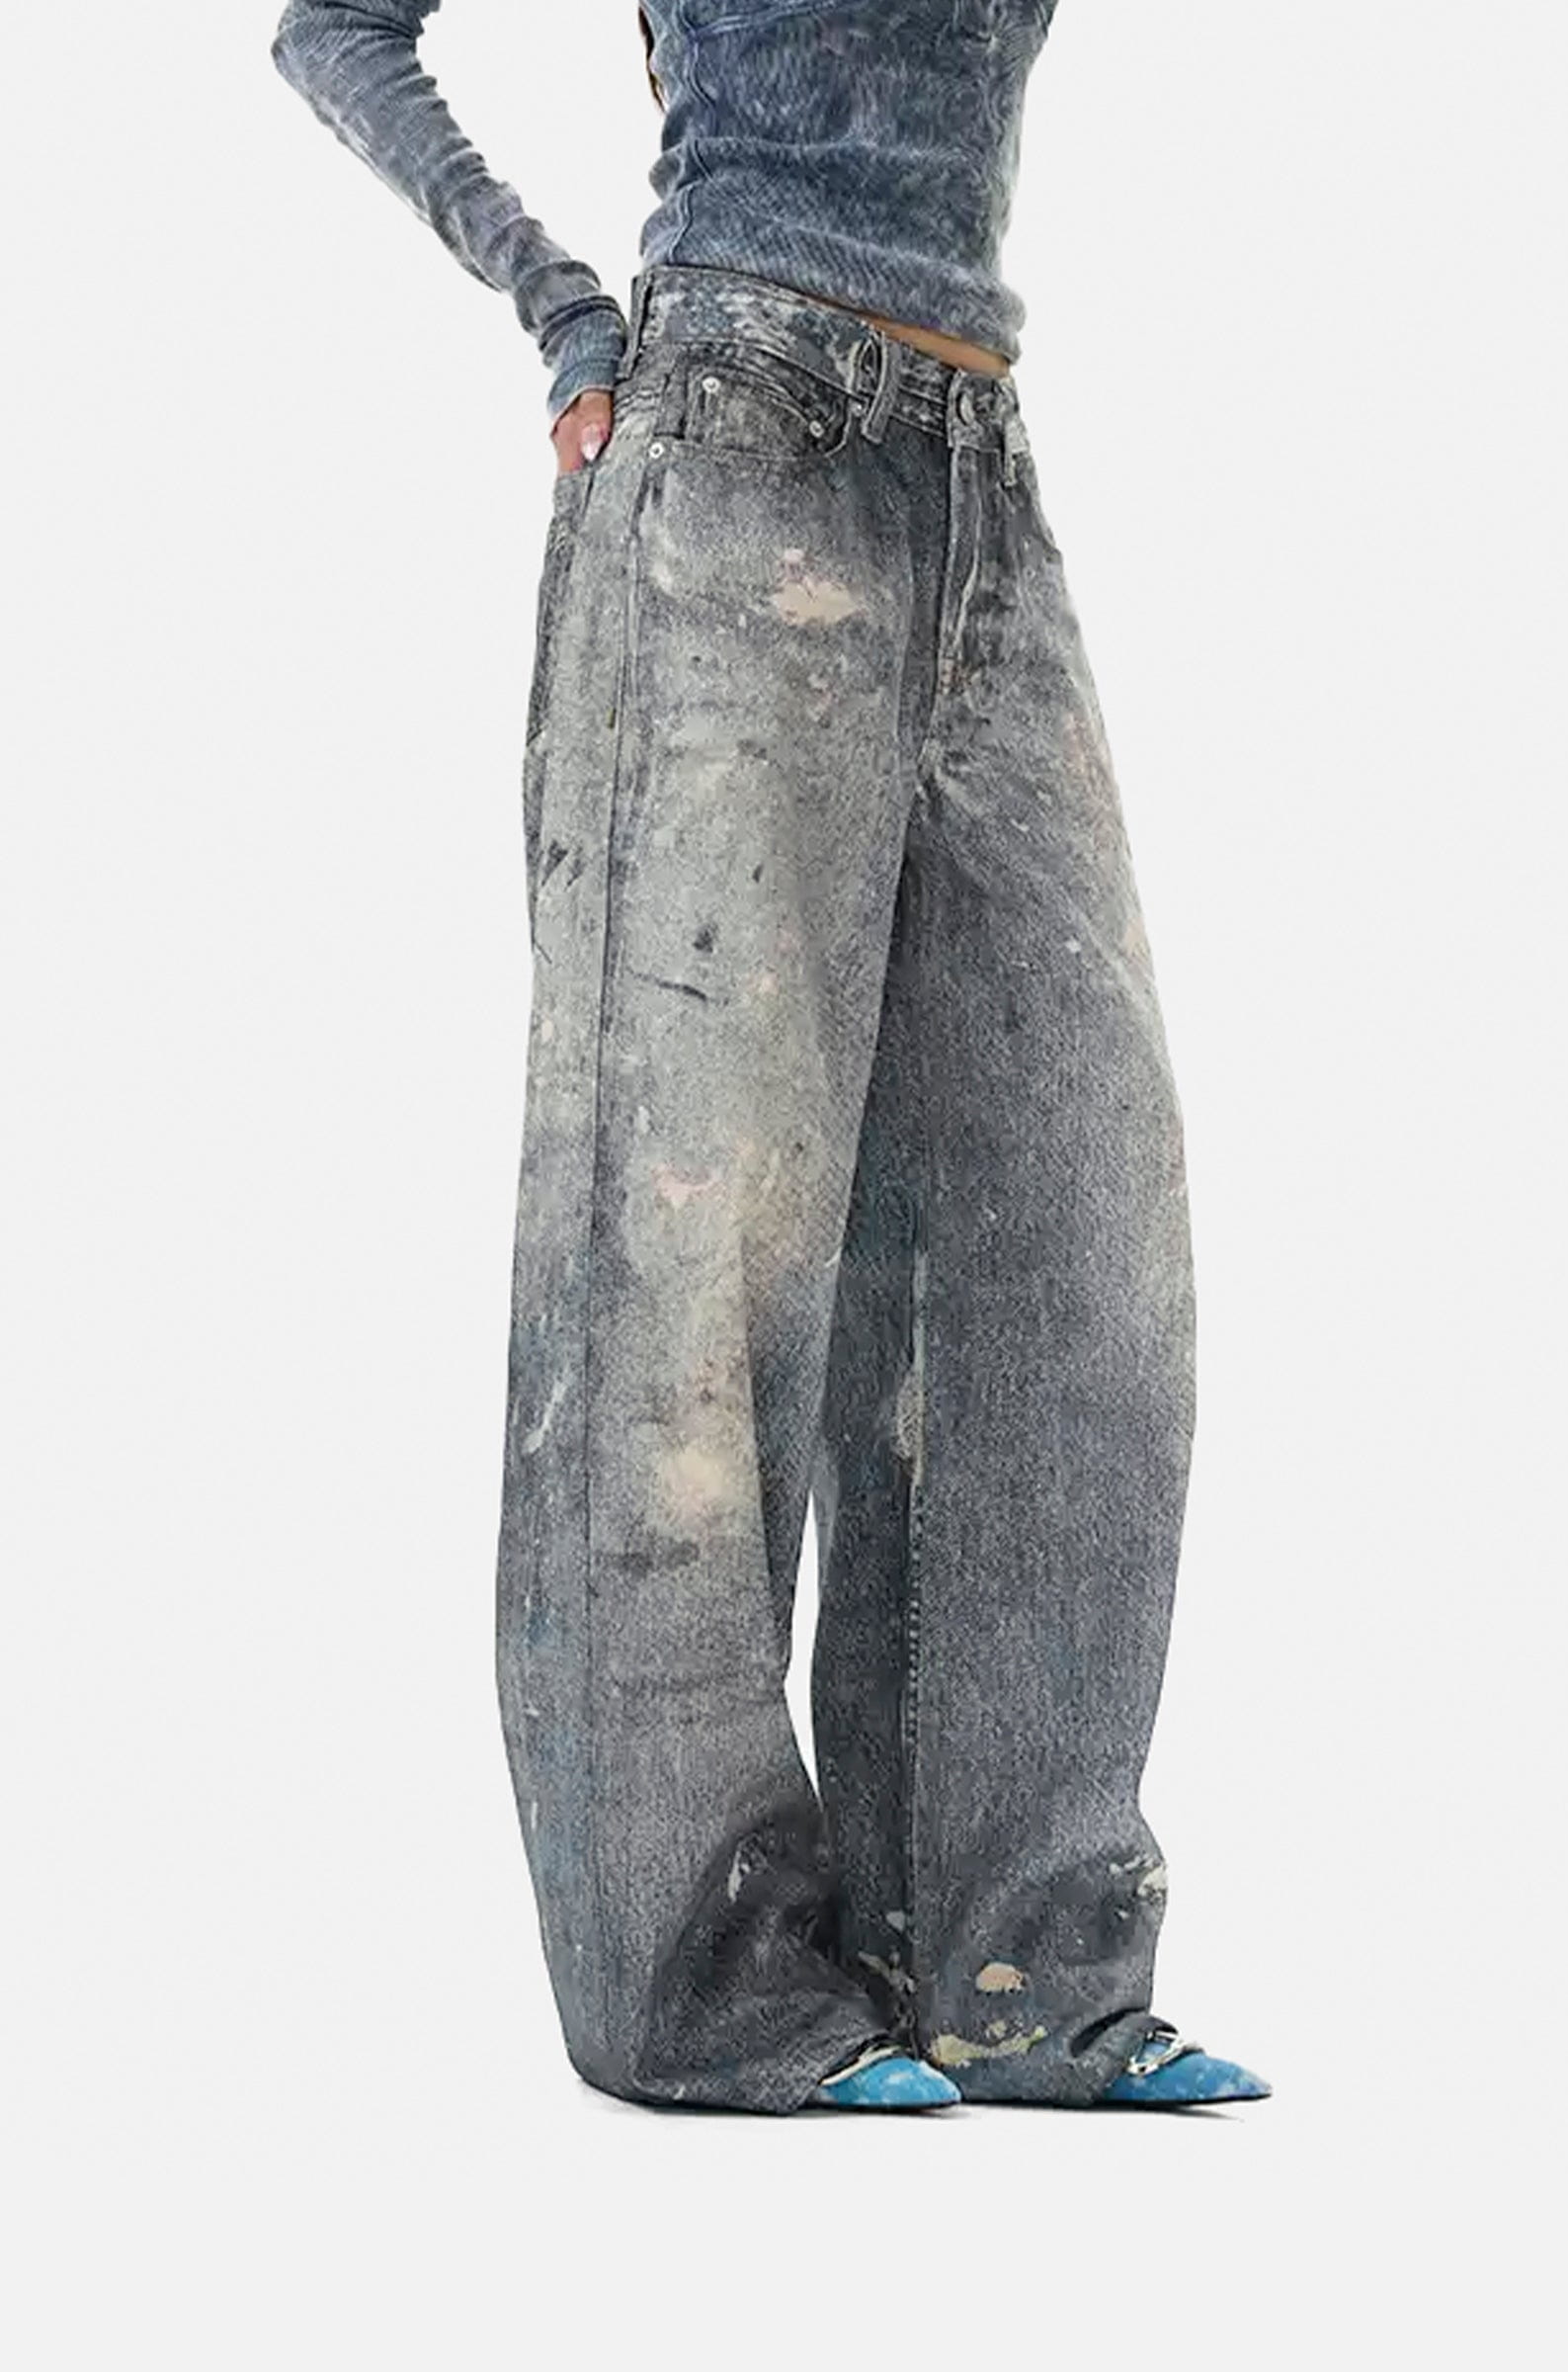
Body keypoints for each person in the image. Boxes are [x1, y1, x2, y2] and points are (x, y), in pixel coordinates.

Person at [270, 0, 1270, 2116]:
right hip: (733, 445)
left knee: (1075, 1239)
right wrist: (560, 307)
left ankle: (1017, 1963)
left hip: (982, 480)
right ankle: (701, 1984)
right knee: (692, 1255)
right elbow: (332, 28)